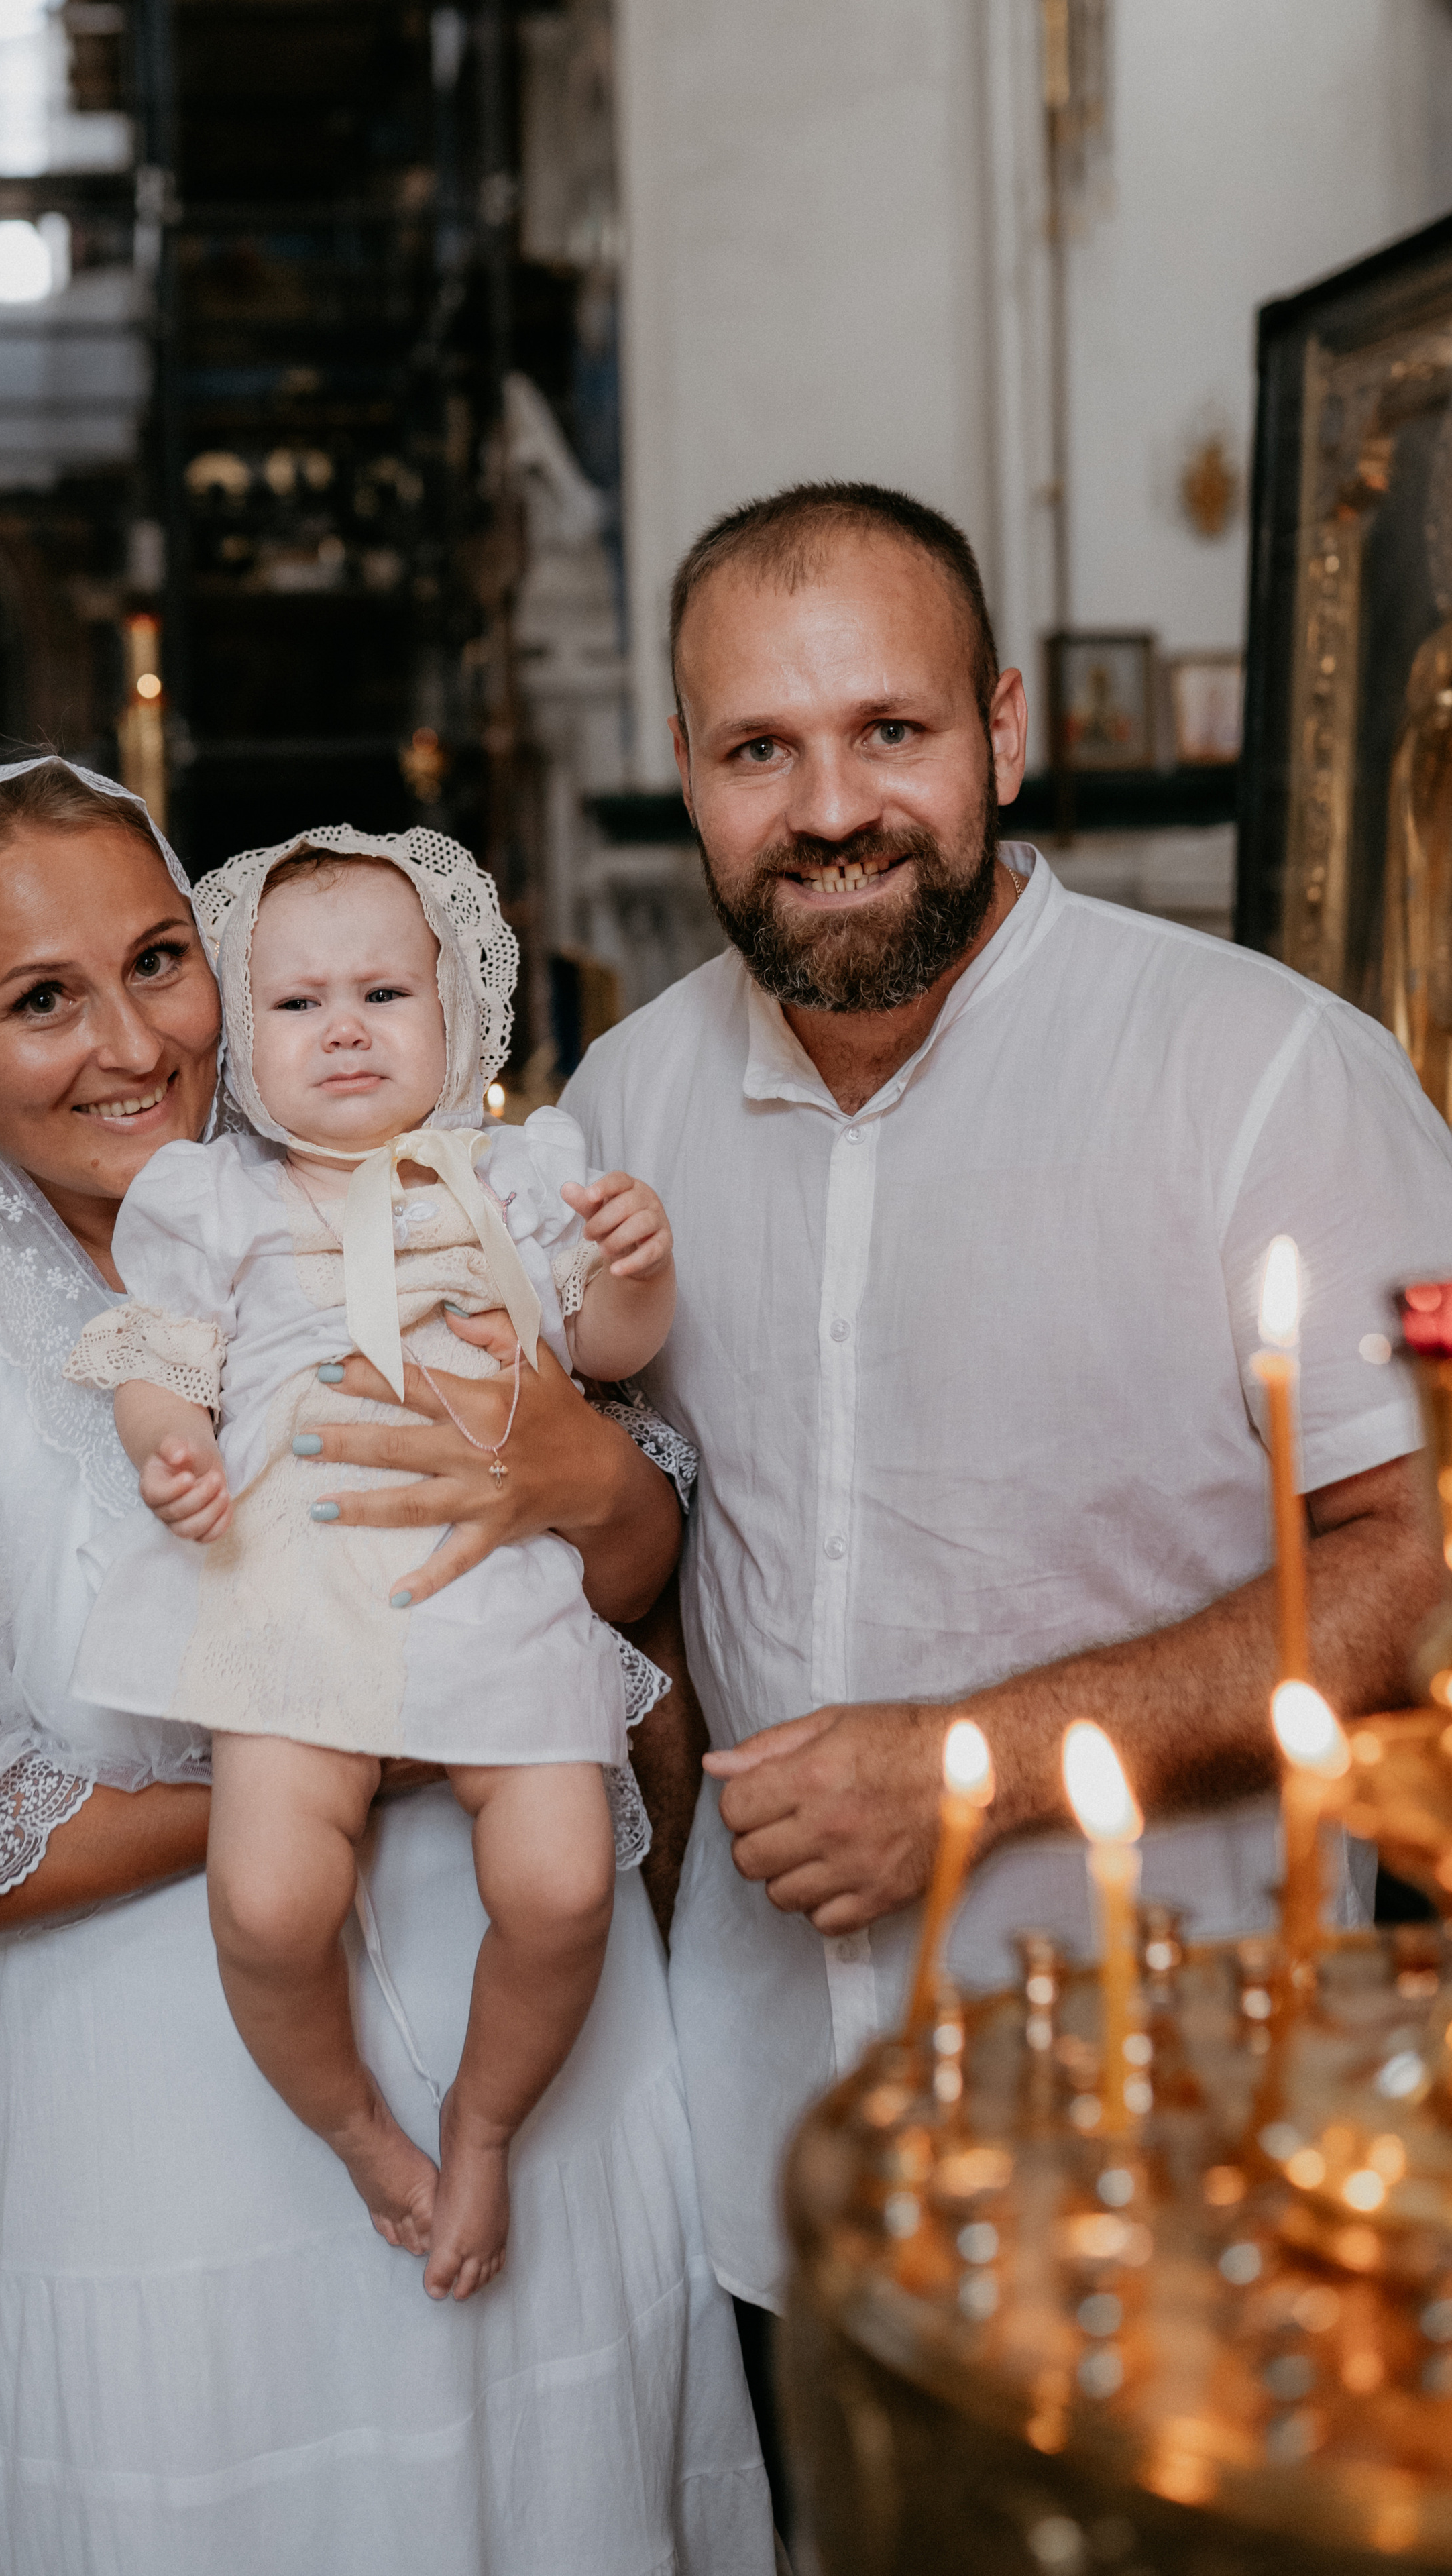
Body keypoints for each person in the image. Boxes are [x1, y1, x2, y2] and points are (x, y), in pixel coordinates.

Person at [0, 755, 772, 2575]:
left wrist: (581, 1472)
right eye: (41, 1000)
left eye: (158, 960)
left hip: (554, 2097)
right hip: (195, 2175)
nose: (132, 1041)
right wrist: (320, 1755)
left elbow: (632, 1585)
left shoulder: (370, 1196)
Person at [562, 479, 1452, 2507]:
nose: (831, 807)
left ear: (1005, 732)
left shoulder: (1262, 1076)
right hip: (759, 2129)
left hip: (1182, 2125)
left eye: (892, 732)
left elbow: (1418, 1560)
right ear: (685, 779)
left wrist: (976, 1760)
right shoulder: (625, 1115)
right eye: (758, 751)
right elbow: (625, 1562)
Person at [66, 829, 677, 2302]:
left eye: (383, 995)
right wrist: (168, 1442)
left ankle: (482, 2122)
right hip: (296, 1574)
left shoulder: (520, 1181)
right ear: (240, 1037)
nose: (342, 1026)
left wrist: (638, 1266)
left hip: (498, 1573)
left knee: (561, 1883)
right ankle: (351, 2124)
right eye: (295, 1004)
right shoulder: (211, 1199)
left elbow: (606, 1354)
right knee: (270, 1900)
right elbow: (152, 1349)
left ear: (453, 1017)